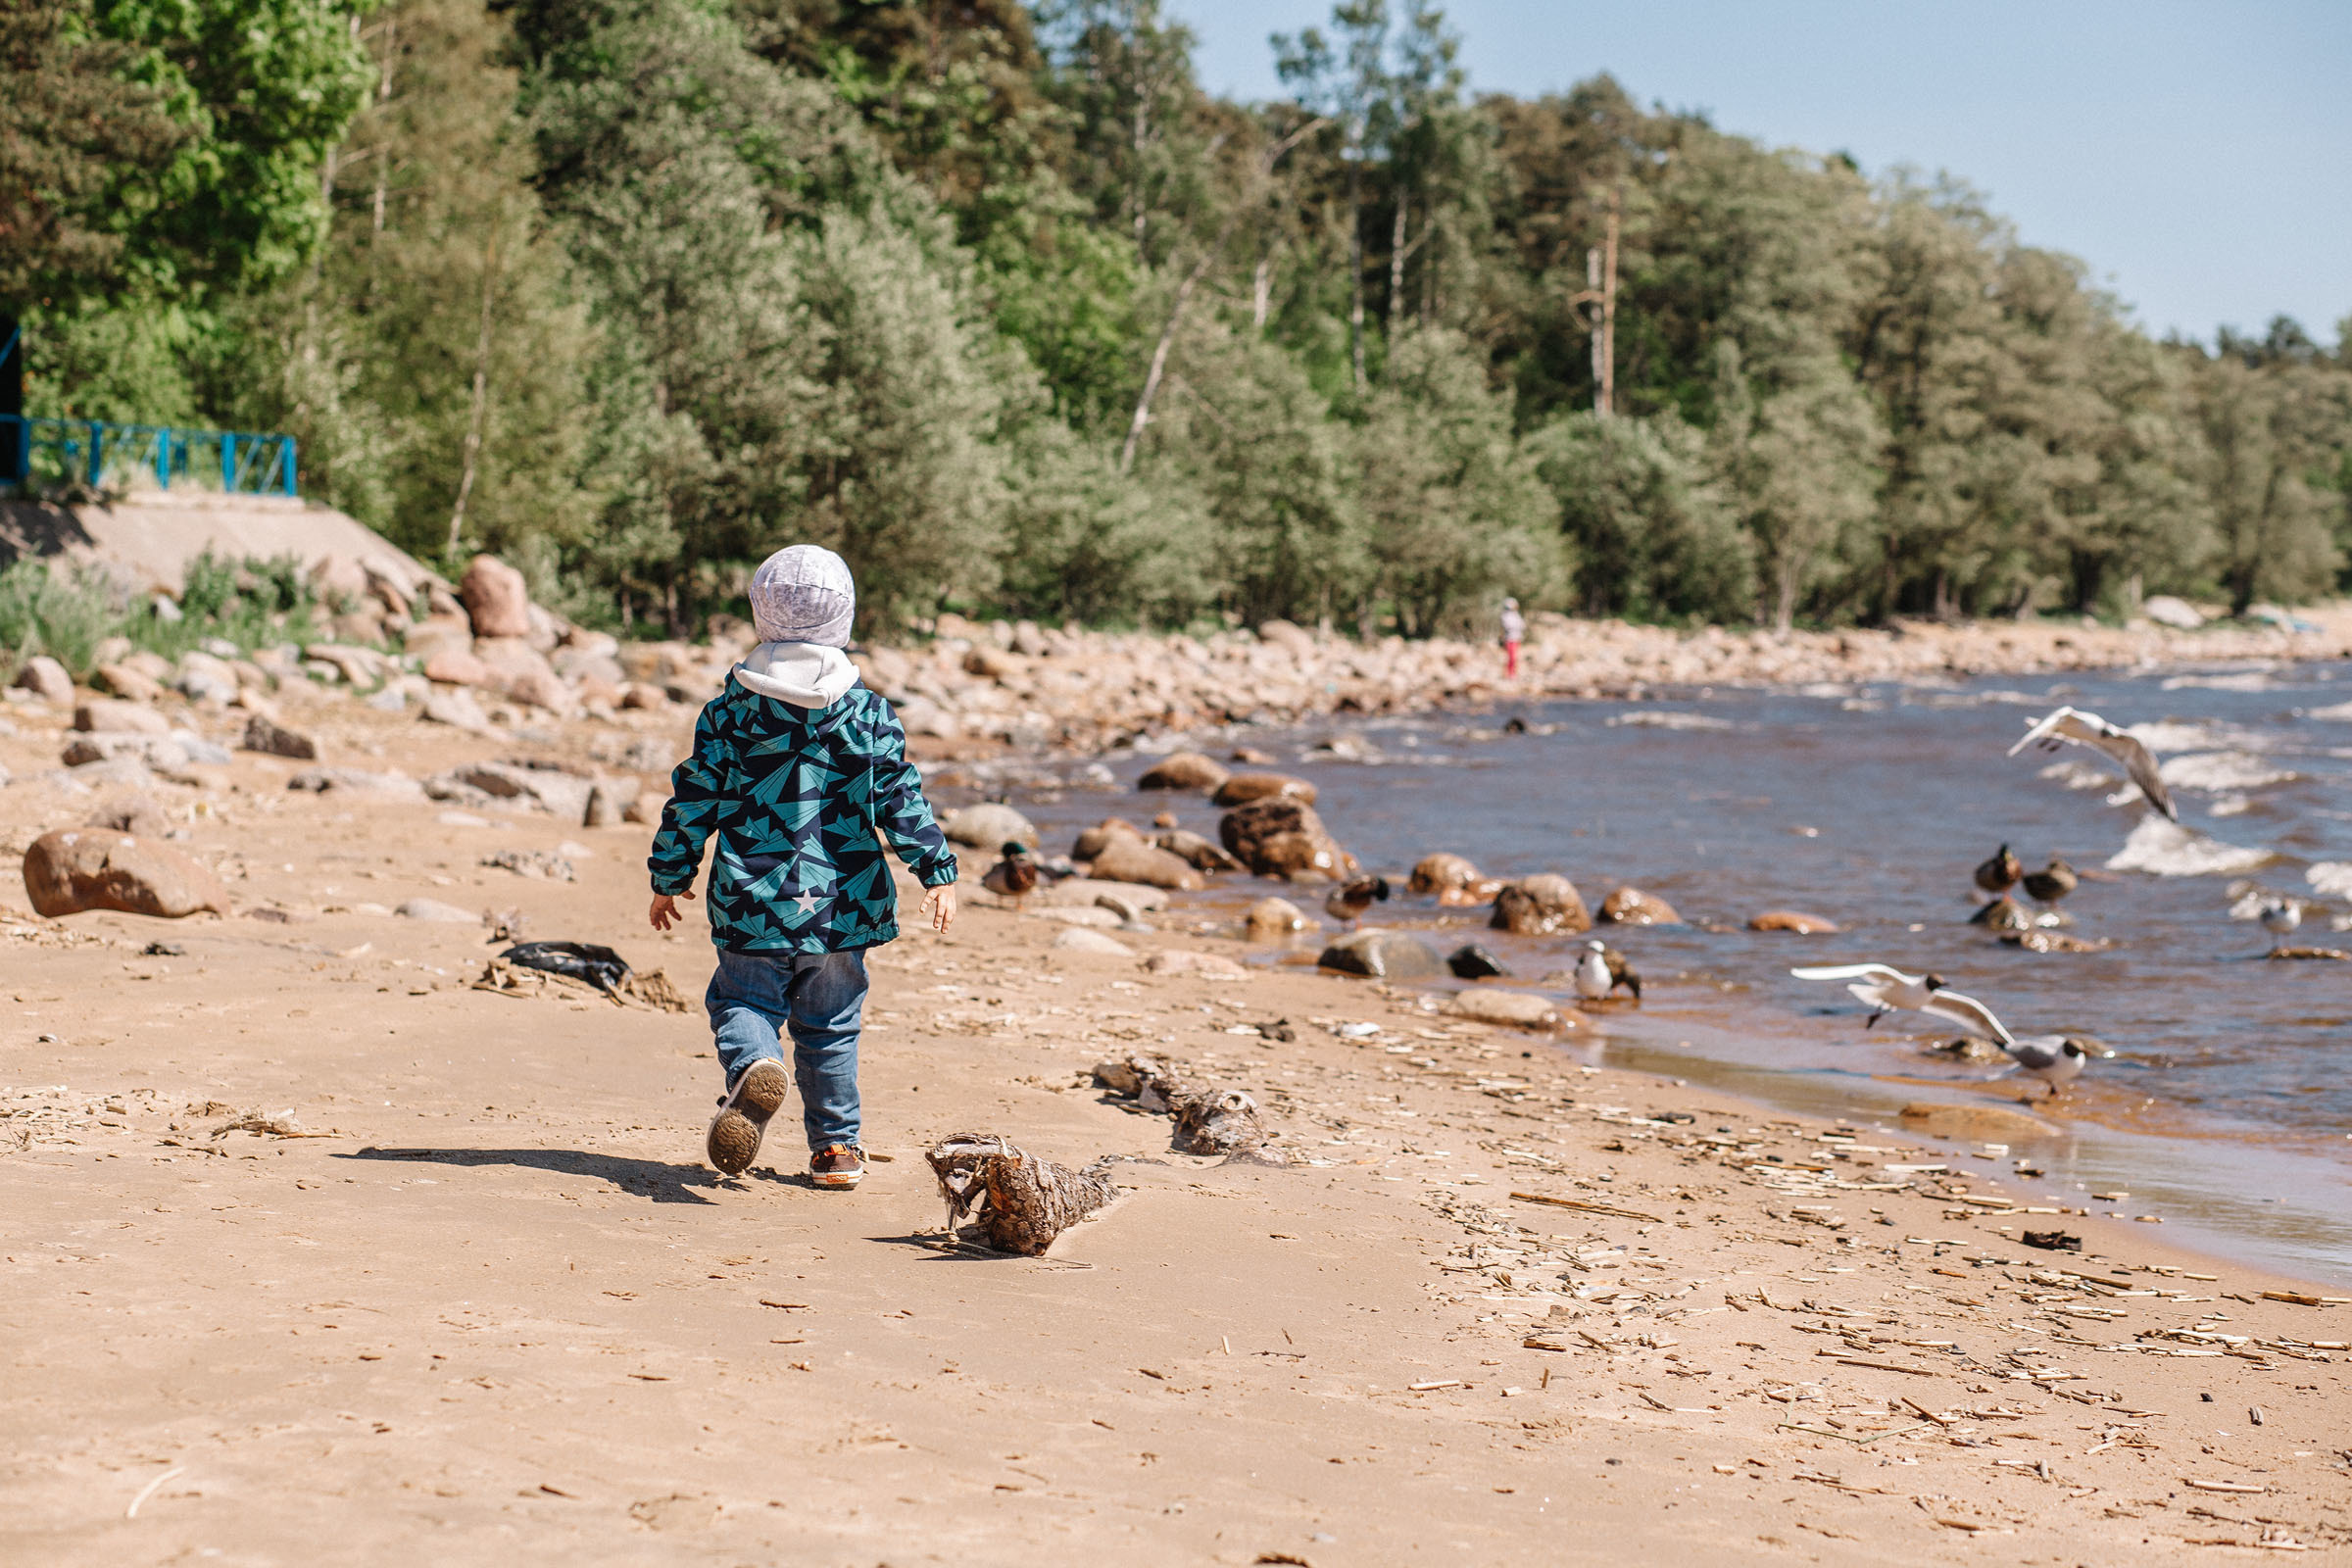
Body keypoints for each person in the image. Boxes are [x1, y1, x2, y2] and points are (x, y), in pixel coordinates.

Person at [647, 545, 958, 1191]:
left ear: (761, 614)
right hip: (844, 906)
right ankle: (837, 1152)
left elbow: (695, 798)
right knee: (832, 1027)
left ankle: (754, 1068)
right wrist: (936, 870)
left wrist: (670, 873)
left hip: (751, 899)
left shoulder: (729, 714)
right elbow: (901, 797)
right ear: (845, 617)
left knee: (741, 998)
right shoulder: (869, 714)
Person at [1499, 597, 1526, 678]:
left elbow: (1522, 625)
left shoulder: (1516, 615)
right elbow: (1509, 626)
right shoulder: (1505, 615)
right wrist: (1517, 626)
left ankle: (1514, 673)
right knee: (1511, 657)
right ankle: (1509, 674)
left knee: (1515, 657)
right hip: (1509, 639)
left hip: (1517, 638)